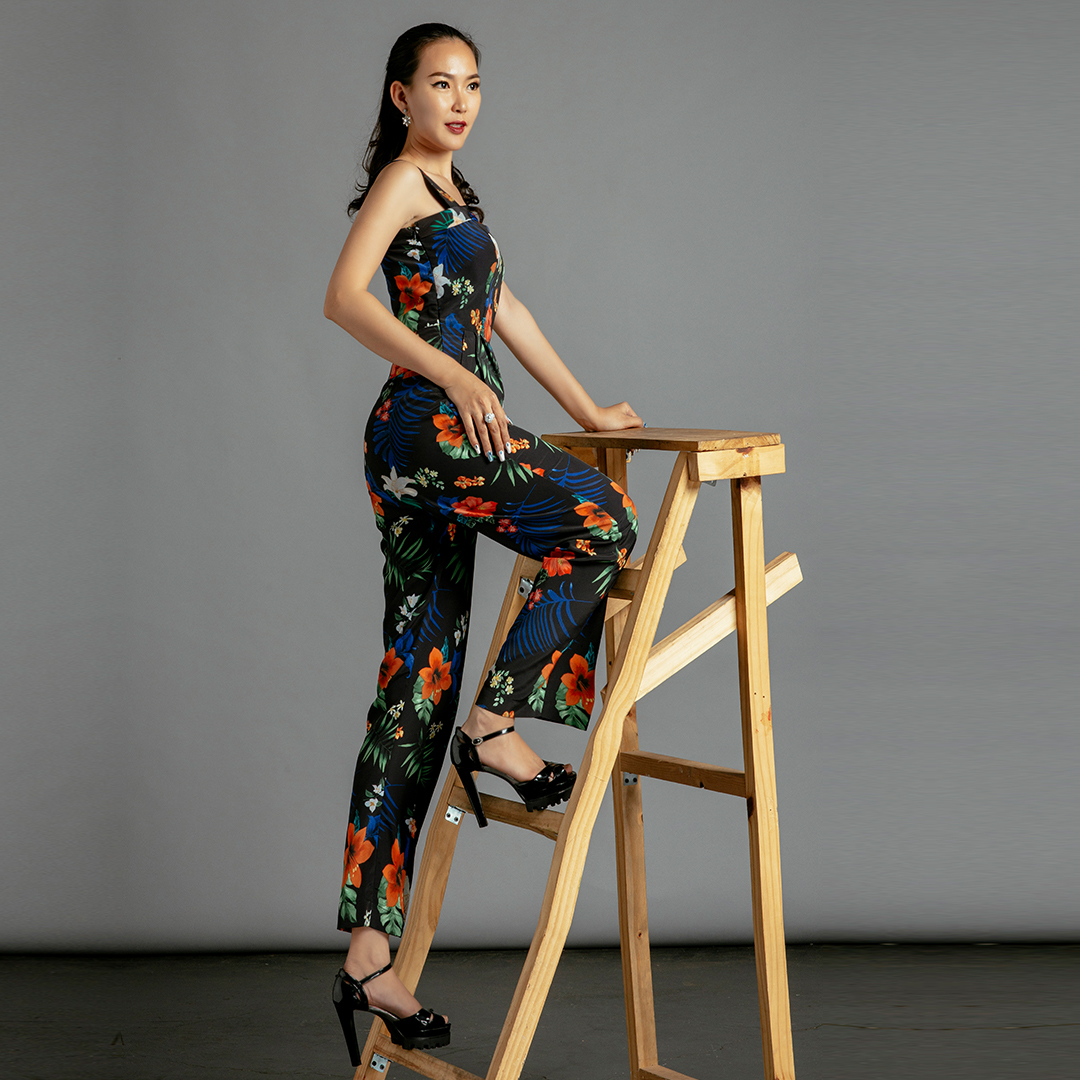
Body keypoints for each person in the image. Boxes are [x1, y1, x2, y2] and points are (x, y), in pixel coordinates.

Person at [322, 22, 643, 1065]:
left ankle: (368, 957)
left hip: (426, 438)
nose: (459, 101)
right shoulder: (403, 184)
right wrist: (455, 376)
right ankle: (498, 725)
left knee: (415, 681)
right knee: (602, 521)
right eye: (439, 84)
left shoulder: (459, 197)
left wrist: (588, 407)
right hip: (427, 426)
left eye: (472, 85)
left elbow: (505, 312)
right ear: (400, 96)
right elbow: (342, 297)